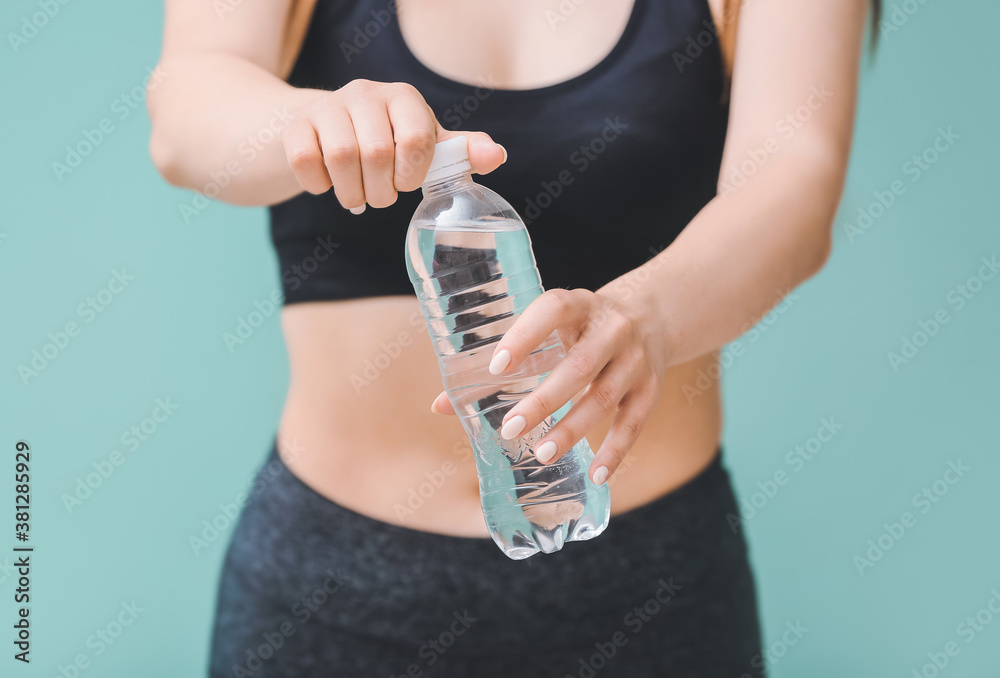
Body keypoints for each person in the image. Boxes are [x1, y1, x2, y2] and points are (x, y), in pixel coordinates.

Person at [148, 0, 878, 675]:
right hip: (333, 590)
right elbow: (187, 111)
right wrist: (313, 124)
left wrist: (647, 316)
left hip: (646, 590)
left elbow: (795, 172)